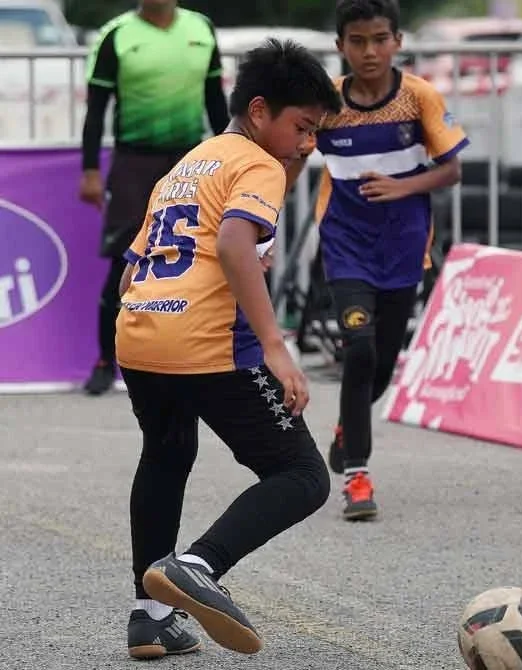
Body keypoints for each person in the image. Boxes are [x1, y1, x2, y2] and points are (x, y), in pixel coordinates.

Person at [115, 38, 342, 660]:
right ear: (261, 110)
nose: (306, 144)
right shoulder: (256, 165)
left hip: (139, 333)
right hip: (204, 341)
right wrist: (275, 346)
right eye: (301, 127)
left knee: (165, 456)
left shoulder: (191, 163)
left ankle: (151, 615)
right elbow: (235, 247)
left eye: (316, 133)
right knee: (301, 475)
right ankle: (197, 565)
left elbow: (132, 269)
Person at [287, 0, 468, 520]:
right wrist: (263, 225)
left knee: (383, 368)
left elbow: (451, 171)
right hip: (345, 245)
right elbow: (296, 158)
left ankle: (349, 426)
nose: (370, 51)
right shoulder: (326, 101)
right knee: (360, 351)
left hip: (404, 246)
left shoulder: (419, 97)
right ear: (340, 45)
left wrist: (402, 186)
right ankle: (357, 478)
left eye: (380, 40)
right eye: (358, 41)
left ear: (398, 42)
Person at [79, 0, 230, 395]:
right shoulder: (117, 35)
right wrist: (90, 170)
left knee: (196, 259)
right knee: (122, 261)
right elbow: (96, 110)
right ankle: (103, 360)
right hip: (133, 162)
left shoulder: (202, 29)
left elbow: (216, 101)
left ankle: (190, 356)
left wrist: (233, 156)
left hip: (190, 159)